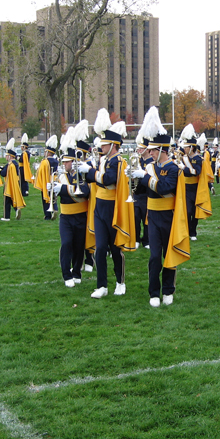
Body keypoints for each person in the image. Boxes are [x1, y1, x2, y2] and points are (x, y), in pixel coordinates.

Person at [132, 107, 190, 306]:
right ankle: (154, 293)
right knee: (155, 256)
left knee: (169, 254)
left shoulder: (173, 168)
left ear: (162, 151)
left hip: (169, 215)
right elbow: (141, 192)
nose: (149, 153)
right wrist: (133, 180)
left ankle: (168, 290)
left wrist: (145, 177)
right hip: (153, 216)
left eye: (152, 150)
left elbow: (165, 188)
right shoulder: (150, 167)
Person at [78, 110, 136, 298]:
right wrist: (88, 171)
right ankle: (102, 285)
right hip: (99, 206)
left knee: (115, 248)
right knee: (100, 248)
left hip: (113, 207)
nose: (101, 147)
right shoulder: (104, 160)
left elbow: (109, 180)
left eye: (104, 144)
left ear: (113, 145)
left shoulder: (119, 161)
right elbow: (94, 179)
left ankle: (120, 281)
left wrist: (92, 171)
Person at [53, 128, 91, 287]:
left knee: (79, 245)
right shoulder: (61, 175)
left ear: (74, 162)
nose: (64, 164)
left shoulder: (81, 174)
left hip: (81, 215)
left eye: (67, 162)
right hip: (66, 216)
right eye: (63, 162)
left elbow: (84, 191)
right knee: (67, 243)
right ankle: (66, 274)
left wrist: (62, 189)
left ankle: (76, 271)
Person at [179, 124, 204, 241]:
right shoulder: (183, 157)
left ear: (192, 147)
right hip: (185, 187)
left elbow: (196, 172)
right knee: (187, 210)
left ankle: (193, 232)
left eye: (186, 147)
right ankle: (187, 230)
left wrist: (184, 168)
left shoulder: (198, 159)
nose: (184, 149)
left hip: (195, 187)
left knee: (194, 211)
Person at [0, 138, 26, 221]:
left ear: (10, 156)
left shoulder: (10, 164)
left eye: (7, 155)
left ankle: (6, 217)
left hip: (9, 183)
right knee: (10, 199)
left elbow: (3, 173)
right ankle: (17, 209)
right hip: (15, 182)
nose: (5, 157)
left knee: (7, 200)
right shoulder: (15, 163)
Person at [34, 135, 59, 220]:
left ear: (48, 152)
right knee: (53, 197)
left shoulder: (45, 161)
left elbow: (40, 172)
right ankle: (55, 209)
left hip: (46, 181)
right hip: (54, 180)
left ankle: (47, 215)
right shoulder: (56, 161)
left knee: (45, 199)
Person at [132, 133, 151, 249]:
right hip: (136, 193)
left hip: (146, 193)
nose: (139, 149)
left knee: (146, 218)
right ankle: (136, 238)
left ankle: (147, 240)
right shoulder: (138, 161)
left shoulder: (150, 162)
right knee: (135, 217)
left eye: (141, 148)